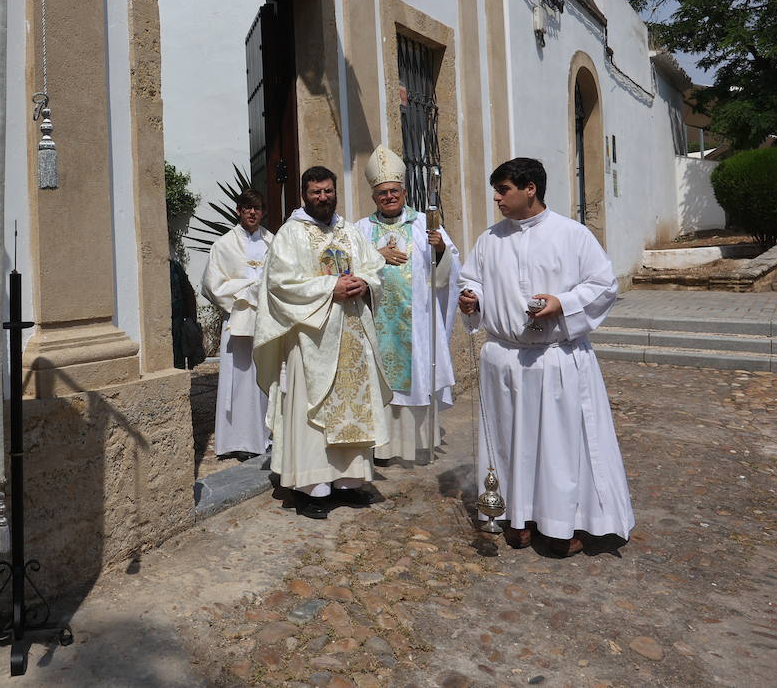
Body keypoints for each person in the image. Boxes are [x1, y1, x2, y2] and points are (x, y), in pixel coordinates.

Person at [458, 157, 635, 555]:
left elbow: (604, 285)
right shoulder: (490, 239)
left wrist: (563, 303)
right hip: (503, 359)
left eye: (503, 190)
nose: (497, 198)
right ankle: (516, 517)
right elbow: (473, 279)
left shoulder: (572, 235)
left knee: (557, 447)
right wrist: (473, 299)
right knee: (509, 443)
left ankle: (561, 525)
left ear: (530, 189)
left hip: (554, 359)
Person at [254, 166, 392, 519]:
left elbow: (374, 266)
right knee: (310, 411)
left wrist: (364, 282)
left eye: (328, 191)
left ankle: (348, 481)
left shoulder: (349, 232)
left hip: (352, 333)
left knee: (352, 404)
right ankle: (312, 486)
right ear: (304, 194)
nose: (323, 198)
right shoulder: (290, 234)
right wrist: (332, 287)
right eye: (316, 192)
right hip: (312, 339)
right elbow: (280, 283)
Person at [353, 145, 460, 465]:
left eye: (393, 191)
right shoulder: (361, 229)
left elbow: (447, 276)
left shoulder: (426, 225)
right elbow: (351, 266)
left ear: (404, 191)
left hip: (416, 323)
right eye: (382, 193)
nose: (388, 197)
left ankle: (416, 444)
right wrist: (377, 257)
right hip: (376, 324)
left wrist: (440, 249)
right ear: (374, 197)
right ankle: (383, 448)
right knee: (381, 384)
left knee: (415, 380)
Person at [201, 189, 273, 459]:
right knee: (239, 381)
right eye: (247, 208)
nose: (252, 213)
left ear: (263, 211)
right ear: (238, 211)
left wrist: (258, 290)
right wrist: (251, 289)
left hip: (266, 319)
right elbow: (212, 285)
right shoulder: (224, 245)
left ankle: (263, 436)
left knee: (264, 377)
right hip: (239, 319)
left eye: (257, 208)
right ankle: (239, 441)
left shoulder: (272, 242)